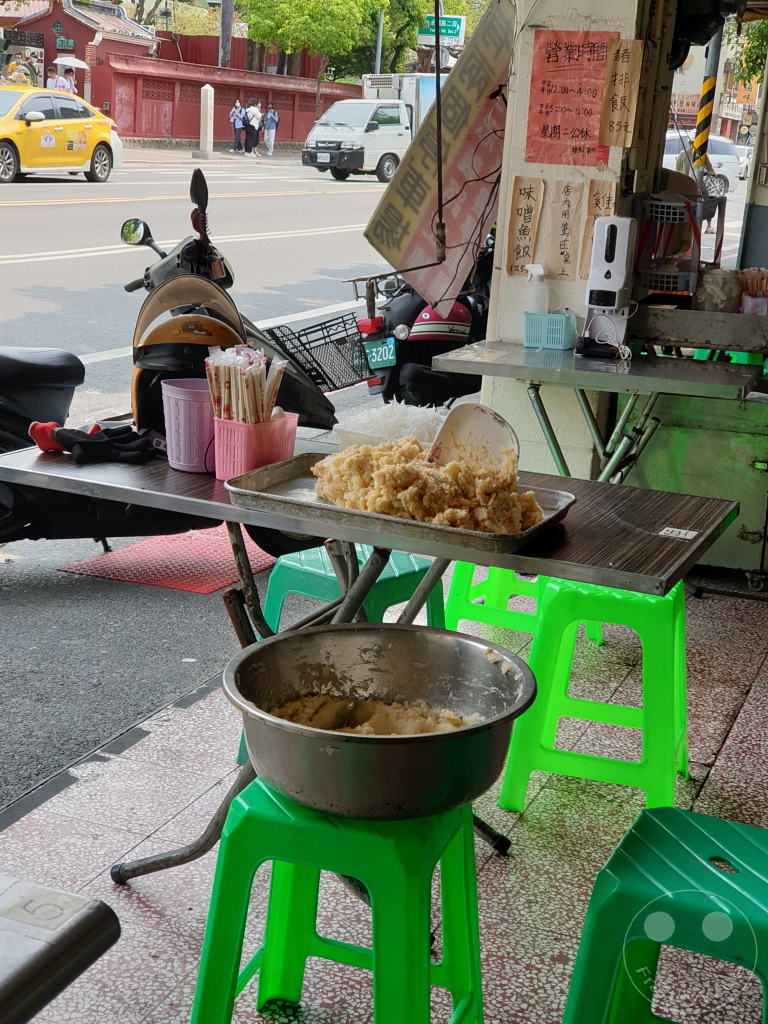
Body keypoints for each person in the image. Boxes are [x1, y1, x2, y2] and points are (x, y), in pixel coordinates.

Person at [676, 139, 718, 233]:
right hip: (698, 185)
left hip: (685, 184)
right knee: (707, 202)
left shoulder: (683, 153)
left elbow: (678, 171)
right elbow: (711, 170)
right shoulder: (703, 154)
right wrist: (709, 173)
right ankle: (709, 226)